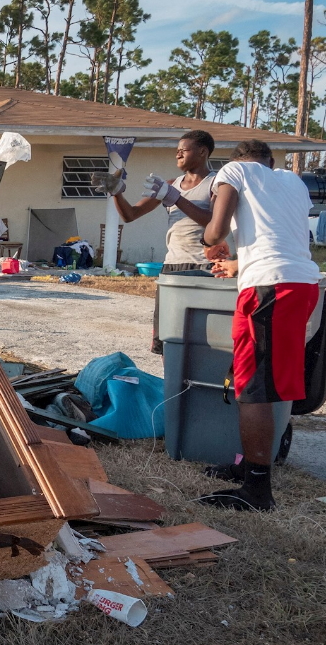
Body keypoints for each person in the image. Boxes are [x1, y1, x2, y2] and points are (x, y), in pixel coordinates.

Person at [199, 139, 322, 511]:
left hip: (271, 290)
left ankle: (257, 490)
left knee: (255, 387)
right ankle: (248, 466)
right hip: (298, 283)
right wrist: (239, 264)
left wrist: (211, 243)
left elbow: (216, 230)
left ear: (239, 160)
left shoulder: (233, 171)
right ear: (269, 161)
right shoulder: (291, 180)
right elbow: (279, 236)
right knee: (251, 377)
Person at [96, 130, 219, 354]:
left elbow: (213, 223)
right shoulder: (171, 185)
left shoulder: (216, 184)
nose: (178, 155)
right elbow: (130, 215)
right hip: (173, 267)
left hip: (204, 267)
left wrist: (177, 199)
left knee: (201, 337)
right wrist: (116, 193)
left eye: (184, 150)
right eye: (177, 152)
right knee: (168, 336)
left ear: (202, 152)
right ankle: (171, 383)